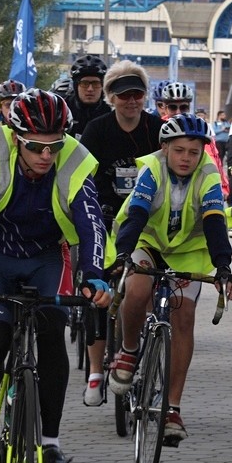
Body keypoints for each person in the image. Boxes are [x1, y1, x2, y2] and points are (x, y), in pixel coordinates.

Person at [0, 89, 112, 463]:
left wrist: (94, 273)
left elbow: (92, 223)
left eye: (54, 145)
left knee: (53, 334)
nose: (46, 155)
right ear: (16, 136)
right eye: (36, 146)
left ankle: (51, 444)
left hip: (46, 256)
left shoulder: (73, 160)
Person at [107, 113, 232, 443]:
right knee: (137, 289)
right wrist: (123, 255)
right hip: (145, 242)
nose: (186, 158)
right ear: (165, 148)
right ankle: (128, 349)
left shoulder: (208, 174)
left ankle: (172, 408)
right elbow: (136, 214)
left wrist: (224, 266)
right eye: (179, 150)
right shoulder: (151, 168)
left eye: (194, 152)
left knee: (184, 316)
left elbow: (214, 222)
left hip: (188, 252)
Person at [79, 60, 165, 406]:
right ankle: (96, 371)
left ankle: (145, 350)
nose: (131, 101)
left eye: (138, 94)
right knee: (97, 292)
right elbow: (83, 173)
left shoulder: (157, 128)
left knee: (147, 288)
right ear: (111, 97)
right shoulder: (97, 129)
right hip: (104, 216)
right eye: (123, 95)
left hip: (145, 221)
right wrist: (96, 209)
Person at [160, 81, 229, 197]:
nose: (178, 112)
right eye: (173, 107)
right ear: (165, 108)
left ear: (189, 107)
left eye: (183, 107)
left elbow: (213, 160)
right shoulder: (156, 127)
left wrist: (222, 187)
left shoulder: (200, 128)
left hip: (193, 191)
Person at [65, 54, 109, 138]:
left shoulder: (111, 111)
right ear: (76, 86)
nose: (90, 89)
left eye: (96, 83)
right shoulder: (63, 109)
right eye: (84, 83)